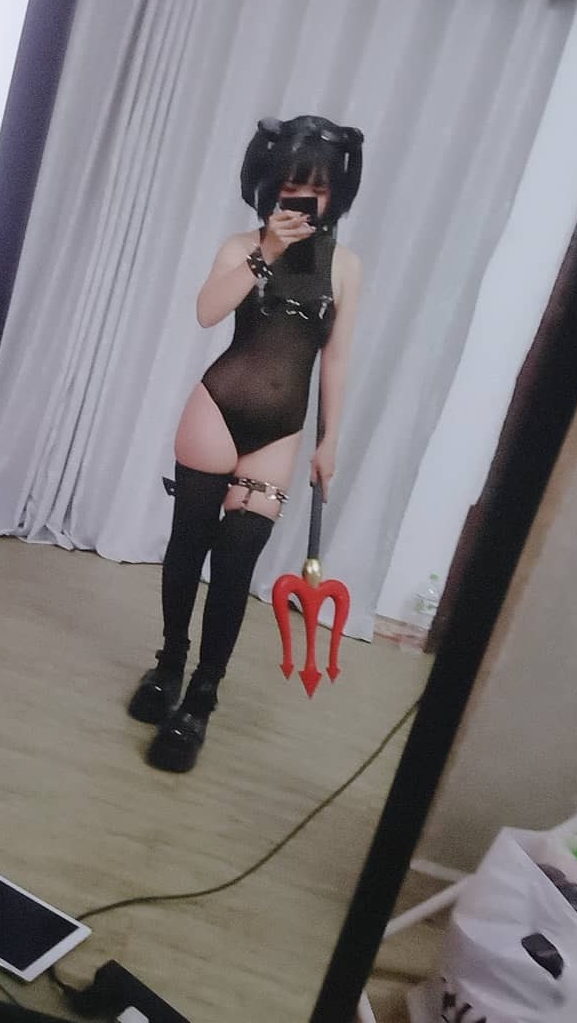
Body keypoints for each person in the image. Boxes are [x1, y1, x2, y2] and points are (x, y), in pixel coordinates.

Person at [128, 115, 364, 772]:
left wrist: (330, 440)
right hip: (216, 409)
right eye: (292, 186)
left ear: (336, 193)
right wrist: (267, 253)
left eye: (317, 189)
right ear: (270, 185)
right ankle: (169, 665)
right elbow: (206, 312)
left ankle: (202, 697)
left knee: (236, 566)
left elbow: (336, 358)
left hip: (279, 431)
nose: (304, 200)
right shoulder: (241, 246)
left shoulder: (345, 267)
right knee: (187, 546)